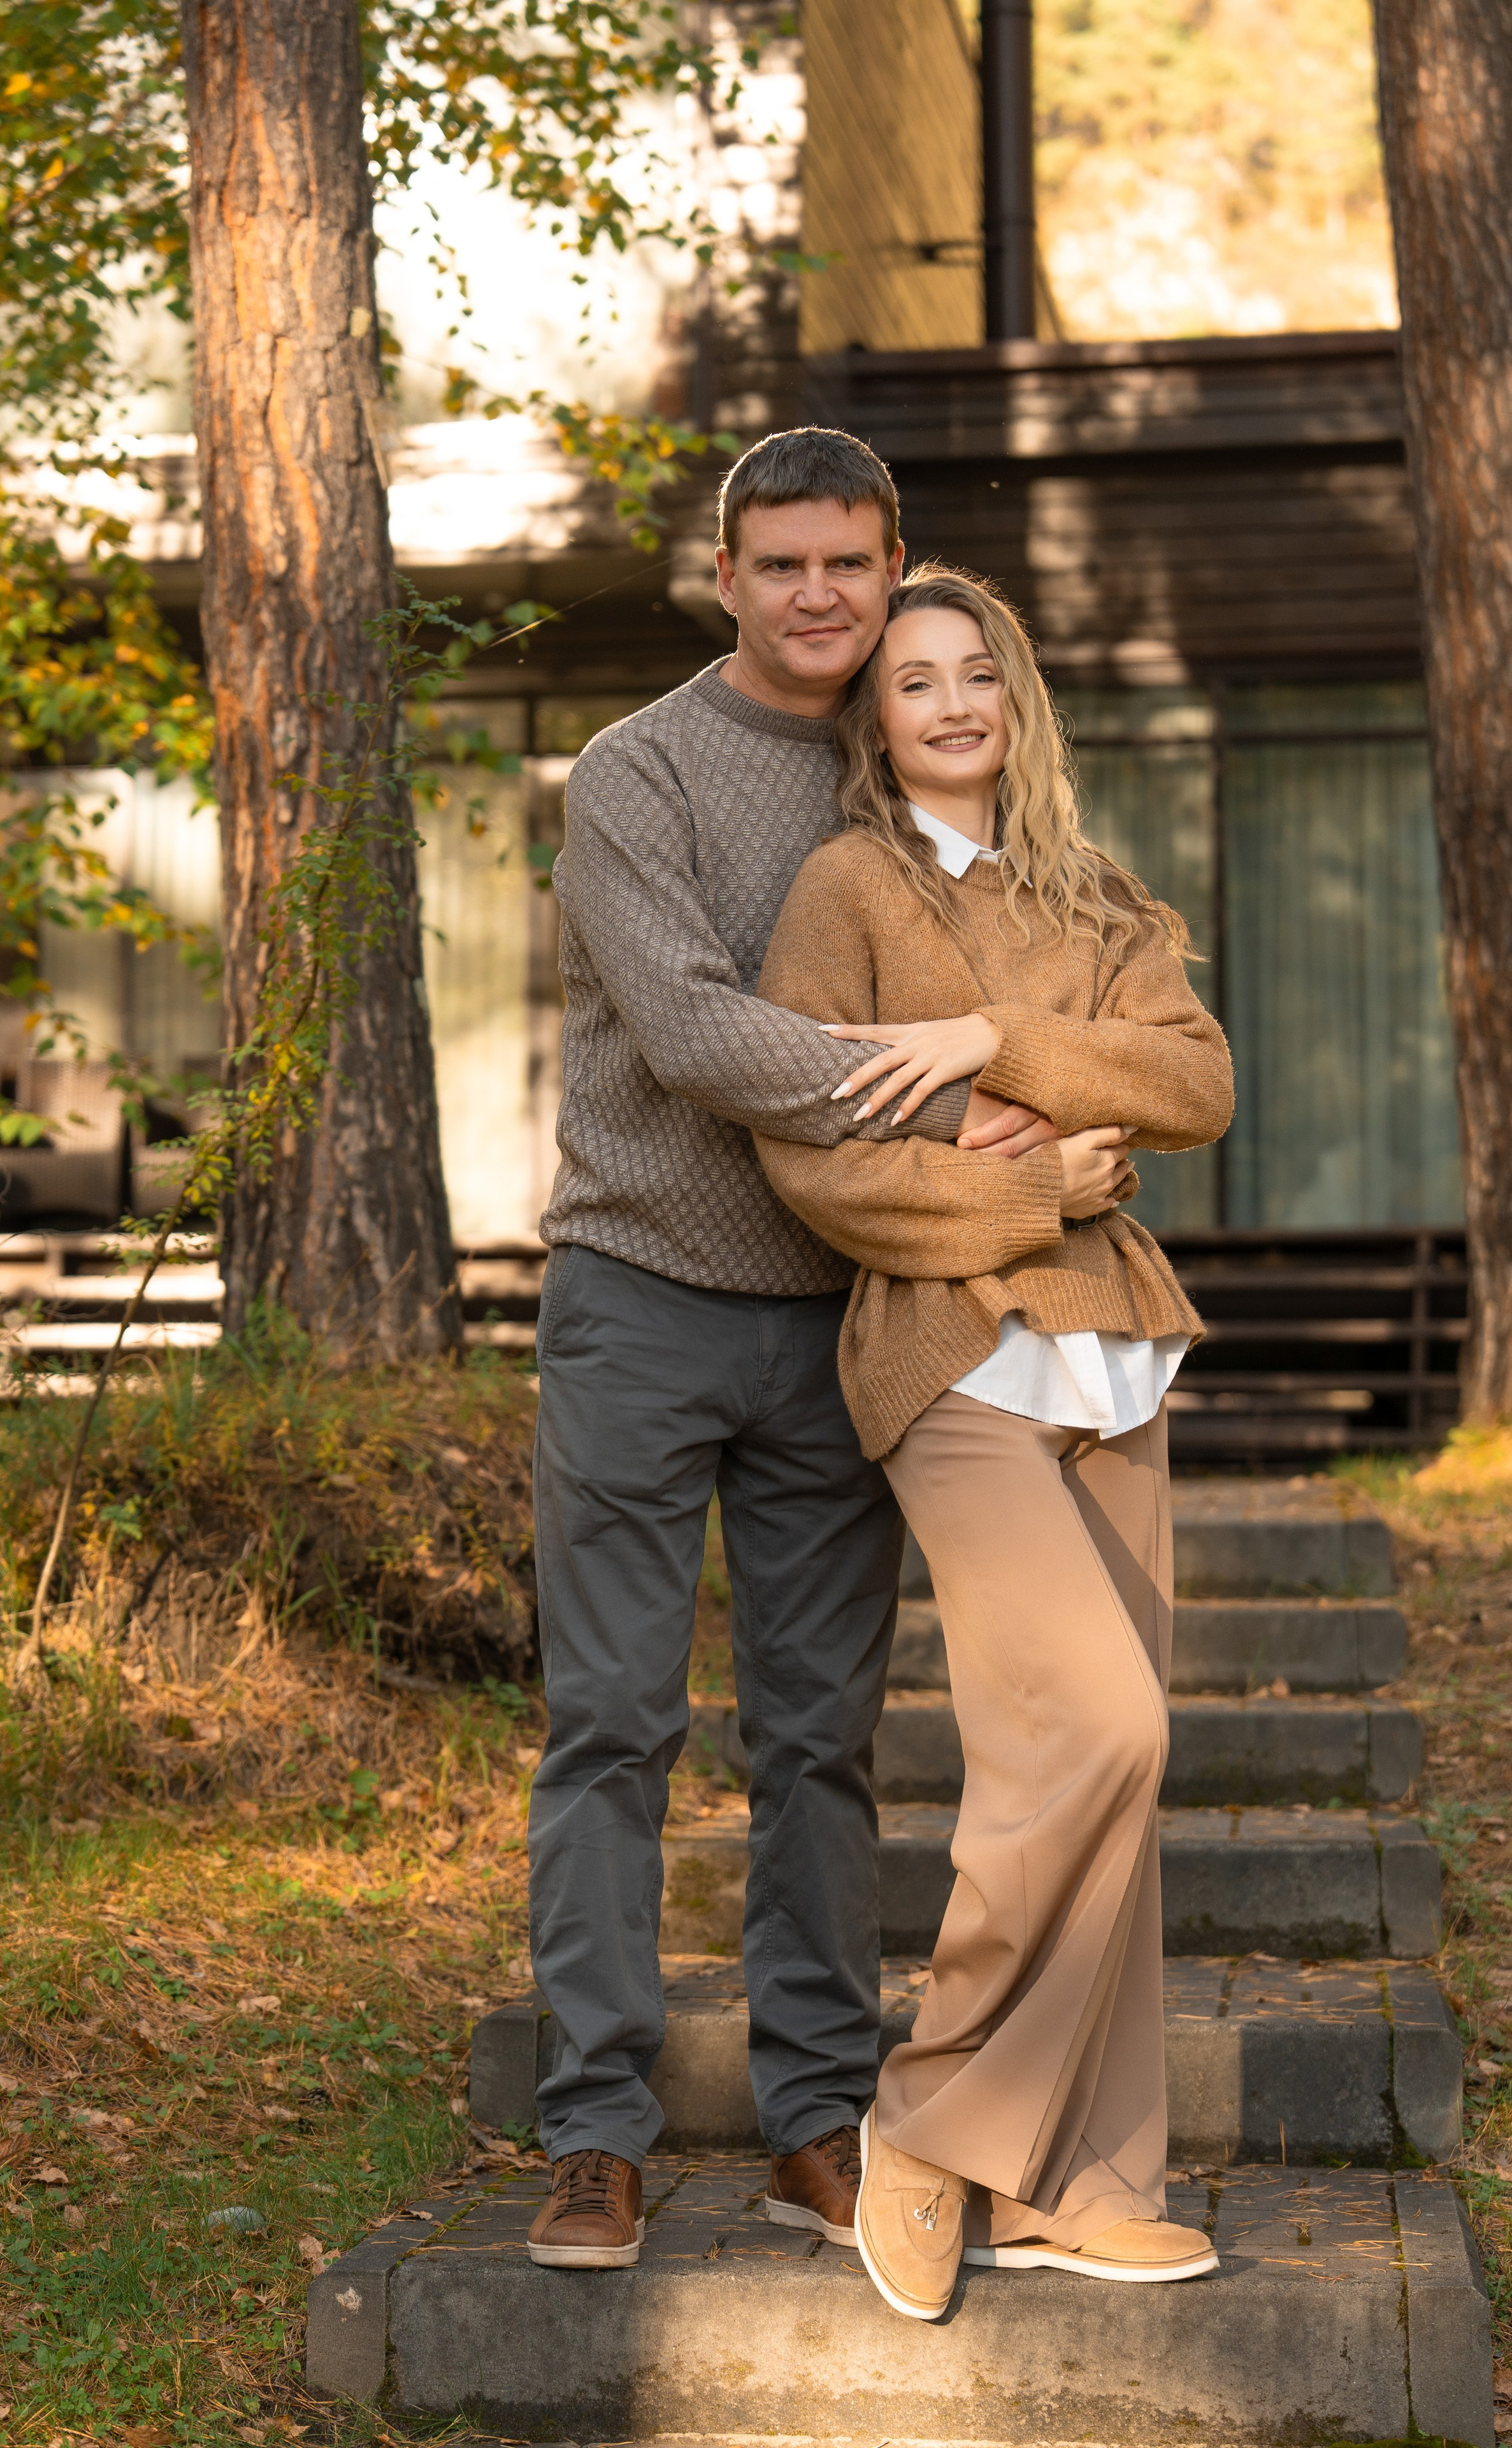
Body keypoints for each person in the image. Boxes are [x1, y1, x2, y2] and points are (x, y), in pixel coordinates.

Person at [521, 433, 1059, 2271]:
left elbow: (1039, 953)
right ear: (727, 575)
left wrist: (1036, 1073)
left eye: (852, 562)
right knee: (611, 1726)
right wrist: (955, 1088)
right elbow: (687, 1027)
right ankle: (595, 2129)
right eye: (785, 564)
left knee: (821, 1740)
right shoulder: (637, 772)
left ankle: (813, 2120)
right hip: (642, 1300)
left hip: (848, 1314)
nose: (821, 594)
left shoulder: (904, 748)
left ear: (895, 559)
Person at [752, 564, 1235, 2317]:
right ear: (874, 720)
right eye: (913, 680)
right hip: (948, 1361)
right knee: (1094, 1725)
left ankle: (1088, 2183)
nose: (949, 702)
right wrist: (1038, 1173)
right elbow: (816, 1156)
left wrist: (991, 1041)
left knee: (1111, 1784)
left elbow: (1196, 1084)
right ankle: (933, 2115)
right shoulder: (845, 889)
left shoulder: (1100, 898)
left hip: (1115, 1367)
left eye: (977, 673)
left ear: (1015, 699)